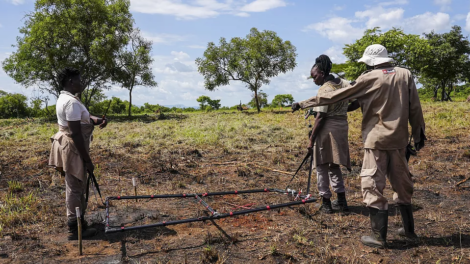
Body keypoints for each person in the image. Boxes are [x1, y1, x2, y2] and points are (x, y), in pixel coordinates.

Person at [292, 44, 426, 249]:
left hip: (376, 141)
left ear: (371, 62)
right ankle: (409, 231)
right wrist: (418, 134)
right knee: (402, 183)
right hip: (400, 141)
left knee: (372, 185)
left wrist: (303, 103)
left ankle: (379, 237)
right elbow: (415, 106)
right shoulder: (405, 74)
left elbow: (334, 97)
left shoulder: (369, 77)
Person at [49, 68, 108, 240]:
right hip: (74, 147)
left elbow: (86, 118)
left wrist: (100, 120)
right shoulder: (72, 102)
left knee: (76, 185)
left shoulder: (66, 99)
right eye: (79, 80)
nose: (82, 83)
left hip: (70, 145)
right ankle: (75, 229)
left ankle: (79, 221)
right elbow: (75, 133)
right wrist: (87, 160)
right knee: (75, 187)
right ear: (71, 82)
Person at [304, 55, 357, 214]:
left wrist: (311, 140)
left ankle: (326, 203)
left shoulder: (325, 89)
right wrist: (342, 111)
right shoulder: (344, 83)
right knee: (334, 164)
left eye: (314, 77)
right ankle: (341, 201)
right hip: (342, 126)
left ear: (321, 72)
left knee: (321, 165)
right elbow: (358, 101)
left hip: (327, 130)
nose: (313, 80)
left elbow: (320, 118)